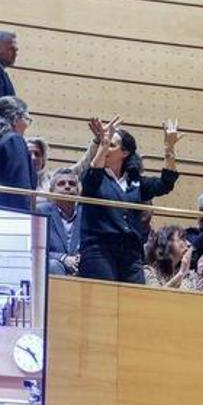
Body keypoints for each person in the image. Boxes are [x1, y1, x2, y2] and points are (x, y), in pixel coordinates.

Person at [78, 116, 181, 284]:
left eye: (111, 145)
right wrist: (102, 145)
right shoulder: (95, 175)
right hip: (99, 250)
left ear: (124, 153)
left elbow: (165, 184)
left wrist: (169, 148)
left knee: (132, 302)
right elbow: (89, 183)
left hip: (131, 252)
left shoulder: (135, 182)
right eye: (106, 144)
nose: (106, 148)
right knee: (104, 300)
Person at [40, 167, 82, 276]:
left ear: (78, 191)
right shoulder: (41, 211)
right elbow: (38, 250)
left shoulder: (86, 213)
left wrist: (81, 258)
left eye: (72, 184)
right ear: (51, 191)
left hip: (81, 264)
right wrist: (63, 258)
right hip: (56, 265)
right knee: (53, 265)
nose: (67, 186)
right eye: (61, 184)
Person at [143, 225, 203, 291]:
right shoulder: (149, 272)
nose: (188, 244)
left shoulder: (190, 274)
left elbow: (201, 298)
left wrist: (200, 272)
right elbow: (157, 298)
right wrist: (181, 274)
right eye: (181, 239)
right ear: (166, 243)